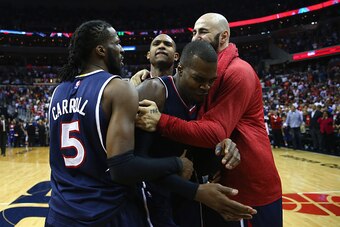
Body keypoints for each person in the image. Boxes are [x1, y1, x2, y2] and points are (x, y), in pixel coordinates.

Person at [46, 20, 254, 227]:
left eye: (211, 81)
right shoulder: (123, 88)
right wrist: (178, 165)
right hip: (109, 208)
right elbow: (124, 166)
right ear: (100, 50)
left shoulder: (58, 92)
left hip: (62, 210)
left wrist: (223, 145)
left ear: (177, 57)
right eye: (117, 43)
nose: (122, 49)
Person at [136, 13, 282, 227]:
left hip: (249, 184)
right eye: (194, 32)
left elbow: (215, 131)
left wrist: (160, 120)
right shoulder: (165, 86)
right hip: (204, 185)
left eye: (203, 31)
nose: (196, 37)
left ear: (224, 37)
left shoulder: (237, 72)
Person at [136, 40, 252, 226]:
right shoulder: (155, 91)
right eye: (198, 79)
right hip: (151, 199)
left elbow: (199, 146)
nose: (206, 87)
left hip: (184, 198)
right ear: (180, 69)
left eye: (211, 81)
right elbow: (131, 164)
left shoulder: (203, 99)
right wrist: (177, 169)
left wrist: (225, 146)